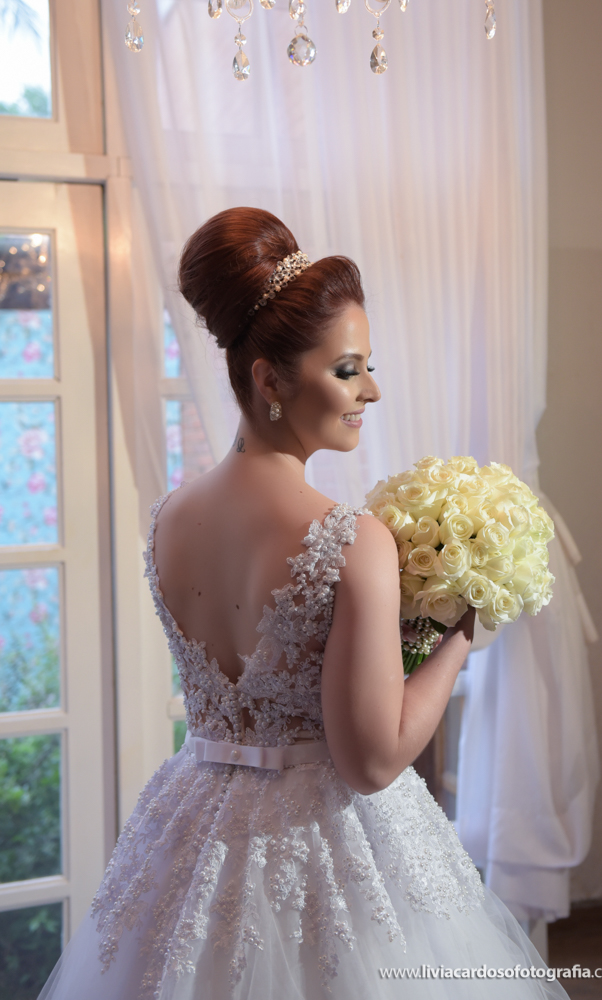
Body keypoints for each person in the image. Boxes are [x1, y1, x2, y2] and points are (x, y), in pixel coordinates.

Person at [38, 207, 568, 999]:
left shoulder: (169, 519)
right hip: (326, 844)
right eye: (348, 370)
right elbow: (372, 761)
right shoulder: (351, 540)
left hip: (197, 828)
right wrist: (462, 627)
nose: (371, 390)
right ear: (269, 379)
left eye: (368, 366)